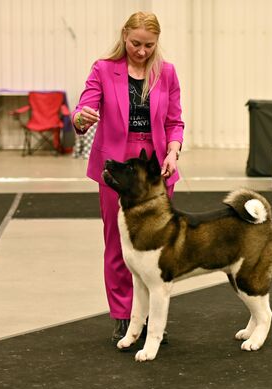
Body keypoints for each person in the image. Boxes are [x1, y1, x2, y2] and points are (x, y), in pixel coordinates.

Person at [71, 11, 184, 345]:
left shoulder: (167, 73)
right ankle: (123, 317)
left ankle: (151, 319)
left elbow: (175, 121)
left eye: (149, 45)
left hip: (155, 168)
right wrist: (81, 119)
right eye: (136, 43)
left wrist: (173, 151)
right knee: (119, 245)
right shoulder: (103, 69)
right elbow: (83, 110)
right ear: (124, 36)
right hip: (117, 168)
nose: (142, 51)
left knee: (156, 249)